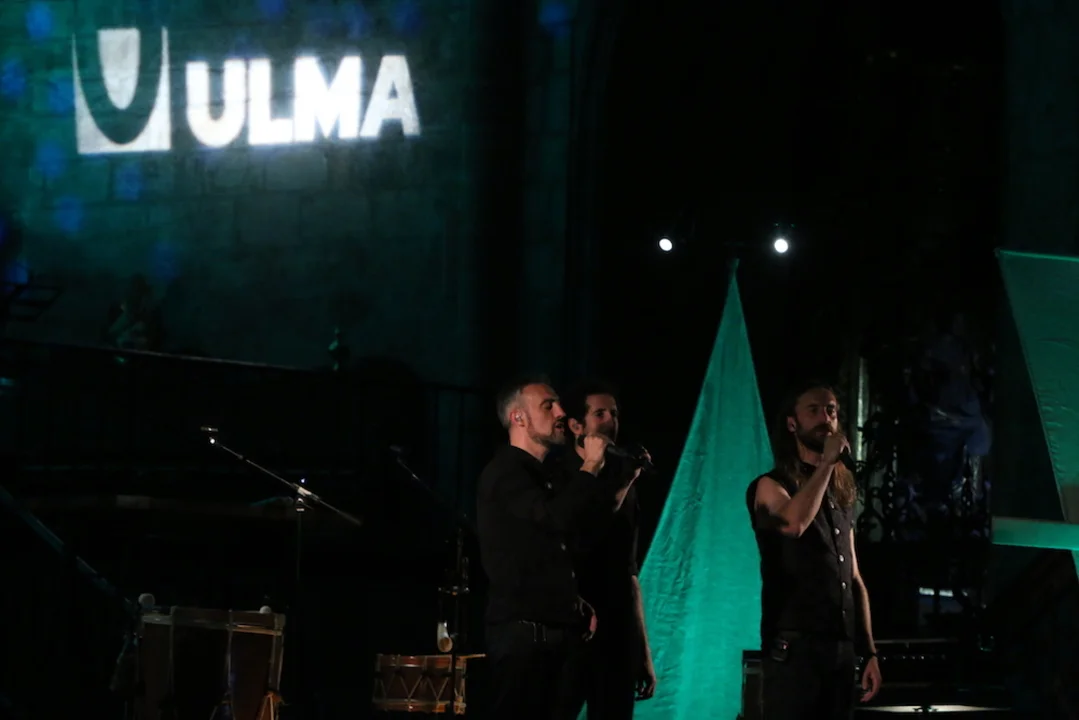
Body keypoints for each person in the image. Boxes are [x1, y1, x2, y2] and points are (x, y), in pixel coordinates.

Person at [476, 376, 619, 720]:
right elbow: (555, 518)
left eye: (558, 404)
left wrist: (570, 599)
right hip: (524, 642)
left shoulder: (540, 476)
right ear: (518, 418)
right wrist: (590, 466)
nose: (560, 412)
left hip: (550, 638)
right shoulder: (506, 473)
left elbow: (540, 547)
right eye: (548, 406)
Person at [746, 382, 883, 719]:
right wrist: (826, 465)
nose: (826, 418)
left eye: (831, 410)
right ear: (792, 424)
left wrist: (868, 651)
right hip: (795, 649)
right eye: (814, 410)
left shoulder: (840, 490)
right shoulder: (771, 485)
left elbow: (853, 576)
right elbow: (794, 524)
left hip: (840, 651)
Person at [552, 381, 656, 719]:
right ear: (576, 426)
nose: (610, 421)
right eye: (600, 414)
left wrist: (642, 651)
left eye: (614, 413)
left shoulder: (624, 477)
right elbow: (582, 533)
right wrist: (623, 482)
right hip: (572, 628)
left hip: (616, 631)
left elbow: (629, 571)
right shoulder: (560, 476)